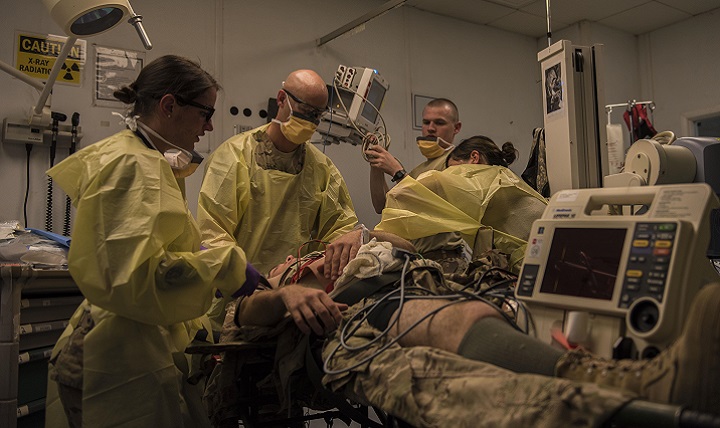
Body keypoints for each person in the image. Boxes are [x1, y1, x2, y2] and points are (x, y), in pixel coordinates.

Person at [212, 231, 720, 427]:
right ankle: (625, 386)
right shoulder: (276, 290)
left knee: (513, 303)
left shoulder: (340, 248)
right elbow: (243, 318)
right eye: (282, 267)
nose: (295, 263)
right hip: (361, 315)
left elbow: (408, 242)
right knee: (442, 319)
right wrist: (284, 292)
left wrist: (363, 234)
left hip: (424, 280)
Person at [44, 55, 258, 428]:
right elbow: (137, 277)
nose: (209, 126)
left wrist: (194, 248)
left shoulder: (139, 157)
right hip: (117, 354)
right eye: (205, 113)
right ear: (169, 105)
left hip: (127, 340)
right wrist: (224, 266)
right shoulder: (136, 167)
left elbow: (145, 242)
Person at [197, 69, 359, 330]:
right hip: (236, 299)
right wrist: (251, 282)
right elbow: (213, 234)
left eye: (317, 115)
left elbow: (340, 230)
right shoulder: (233, 157)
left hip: (296, 299)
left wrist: (350, 239)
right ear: (282, 98)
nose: (310, 121)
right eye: (304, 111)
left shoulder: (321, 167)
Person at [375, 135, 547, 274]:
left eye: (453, 168)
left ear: (474, 157)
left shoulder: (485, 178)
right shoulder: (507, 179)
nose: (452, 173)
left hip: (536, 261)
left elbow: (421, 190)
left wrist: (396, 171)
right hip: (546, 252)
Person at [366, 98, 462, 213]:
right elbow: (382, 206)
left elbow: (433, 208)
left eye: (439, 123)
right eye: (426, 122)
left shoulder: (458, 162)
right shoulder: (420, 169)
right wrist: (376, 162)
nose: (430, 128)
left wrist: (398, 172)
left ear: (456, 128)